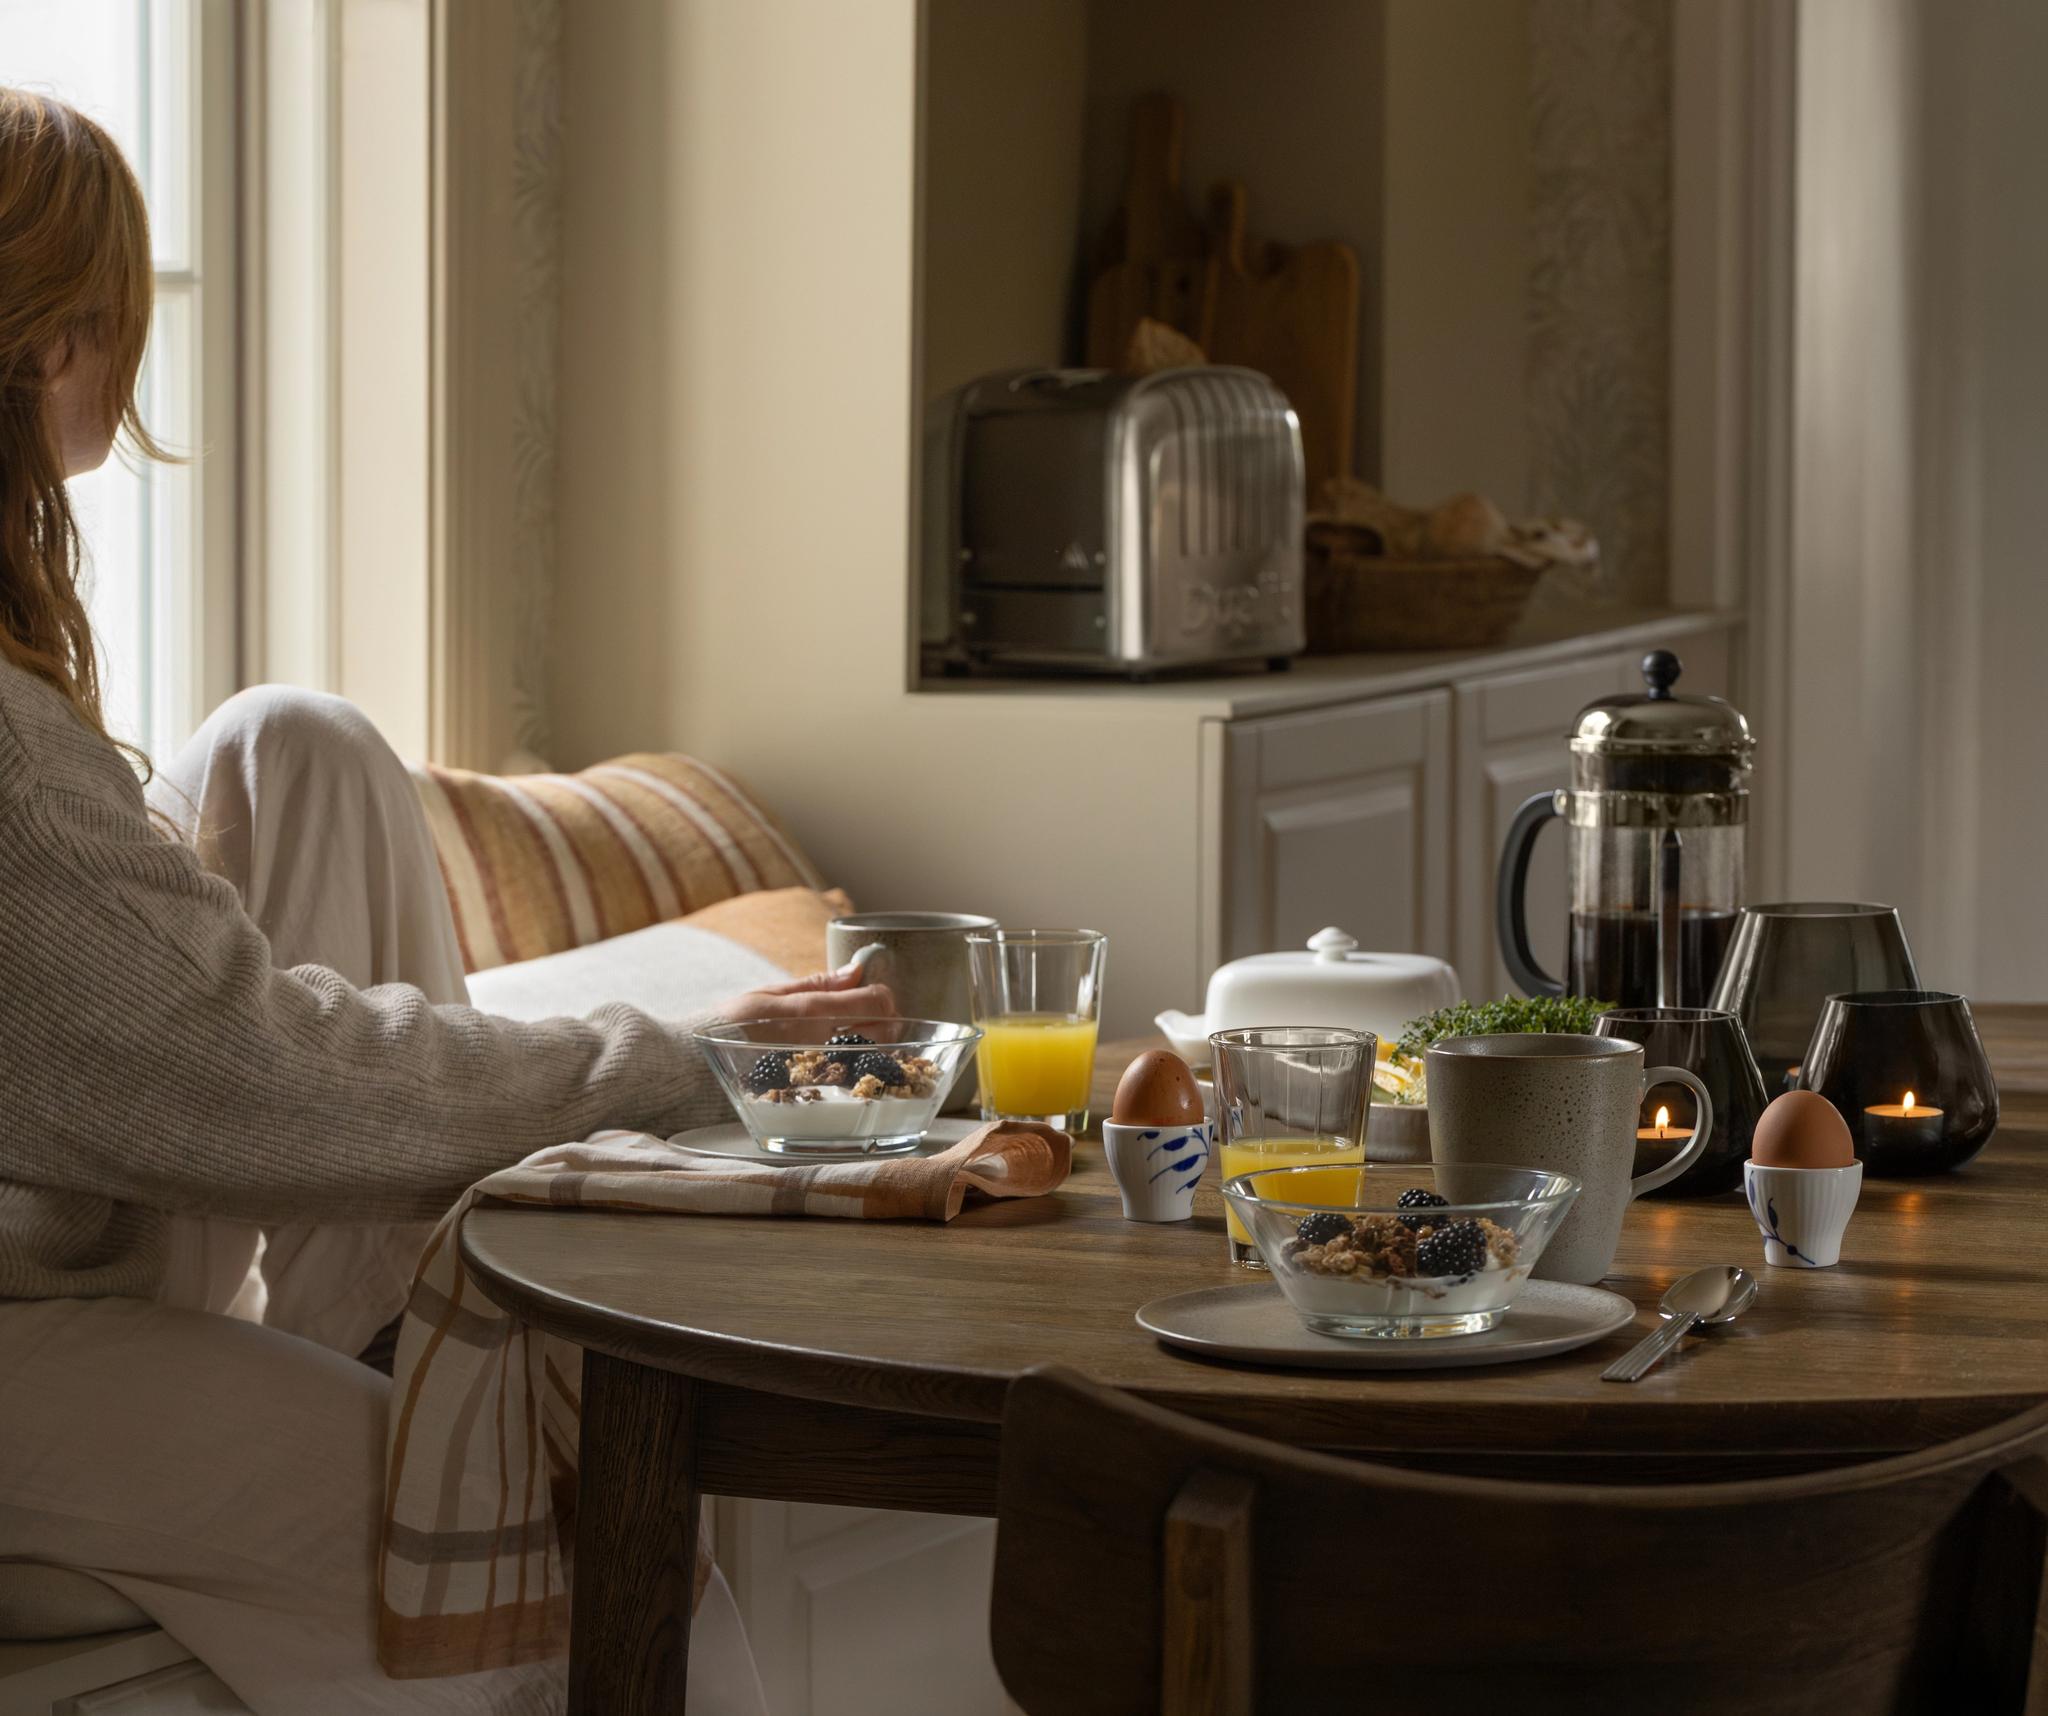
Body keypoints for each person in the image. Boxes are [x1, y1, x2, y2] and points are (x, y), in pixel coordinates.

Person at [0, 88, 884, 1714]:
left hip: (74, 1241)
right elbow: (248, 1067)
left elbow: (143, 997)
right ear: (51, 344)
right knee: (558, 1529)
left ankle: (394, 1314)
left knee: (298, 744)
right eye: (114, 327)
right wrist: (695, 1058)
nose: (126, 377)